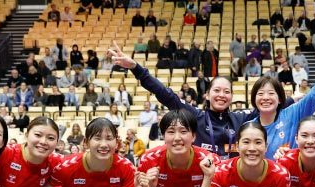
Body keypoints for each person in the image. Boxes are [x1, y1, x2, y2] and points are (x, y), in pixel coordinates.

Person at [110, 42, 257, 158]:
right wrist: (135, 67)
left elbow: (268, 106)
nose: (221, 95)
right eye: (217, 90)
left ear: (231, 97)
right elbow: (165, 94)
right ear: (207, 95)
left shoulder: (242, 118)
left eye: (227, 91)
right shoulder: (195, 116)